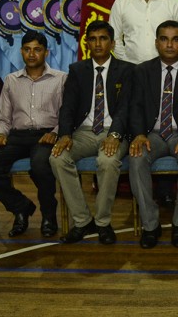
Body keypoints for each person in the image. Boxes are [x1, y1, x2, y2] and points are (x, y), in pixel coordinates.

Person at [110, 0, 178, 206]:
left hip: (167, 72)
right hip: (133, 73)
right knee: (139, 125)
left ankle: (165, 190)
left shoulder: (172, 3)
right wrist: (132, 65)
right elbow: (115, 38)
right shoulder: (122, 3)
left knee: (163, 122)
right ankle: (141, 192)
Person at [50, 21, 133, 245]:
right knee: (57, 157)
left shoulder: (127, 70)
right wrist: (65, 134)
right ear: (86, 43)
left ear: (112, 43)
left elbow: (126, 108)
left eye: (103, 38)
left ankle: (103, 223)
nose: (98, 43)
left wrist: (115, 135)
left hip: (114, 131)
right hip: (84, 132)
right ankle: (82, 220)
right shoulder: (77, 70)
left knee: (108, 161)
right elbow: (68, 106)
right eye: (93, 39)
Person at [128, 20, 178, 249]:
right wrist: (138, 134)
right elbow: (134, 107)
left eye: (175, 39)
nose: (170, 44)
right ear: (156, 43)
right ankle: (150, 225)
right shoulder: (142, 71)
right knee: (136, 157)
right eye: (164, 39)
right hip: (151, 135)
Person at [0, 31, 66, 238]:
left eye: (37, 50)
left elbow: (67, 116)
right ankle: (21, 207)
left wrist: (56, 133)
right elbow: (3, 118)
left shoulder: (61, 79)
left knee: (40, 165)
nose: (32, 54)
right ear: (21, 52)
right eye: (27, 50)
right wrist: (0, 134)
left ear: (46, 52)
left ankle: (49, 216)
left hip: (45, 136)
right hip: (16, 137)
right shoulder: (11, 80)